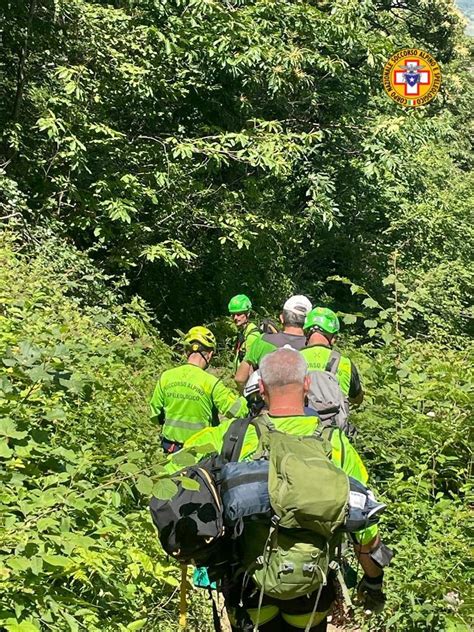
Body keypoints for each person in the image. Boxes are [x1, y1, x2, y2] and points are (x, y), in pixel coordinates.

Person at [177, 349, 387, 630]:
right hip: (311, 592)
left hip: (249, 591)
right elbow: (366, 529)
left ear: (261, 387)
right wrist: (373, 581)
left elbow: (171, 478)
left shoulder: (231, 435)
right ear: (308, 385)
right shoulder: (335, 444)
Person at [149, 326, 248, 453]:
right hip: (199, 451)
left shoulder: (166, 377)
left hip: (170, 448)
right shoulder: (211, 383)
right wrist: (249, 398)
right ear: (210, 354)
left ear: (186, 351)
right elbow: (237, 411)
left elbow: (155, 416)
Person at [235, 294, 312, 389]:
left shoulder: (263, 340)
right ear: (308, 322)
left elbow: (240, 378)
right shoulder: (310, 347)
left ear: (281, 318)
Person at [301, 307, 364, 405]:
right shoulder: (345, 363)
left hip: (301, 419)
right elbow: (357, 399)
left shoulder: (293, 359)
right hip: (334, 419)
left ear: (306, 332)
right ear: (333, 338)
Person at [228, 294, 261, 372]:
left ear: (248, 314)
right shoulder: (243, 332)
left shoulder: (252, 335)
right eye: (233, 314)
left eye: (239, 314)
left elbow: (250, 364)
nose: (235, 318)